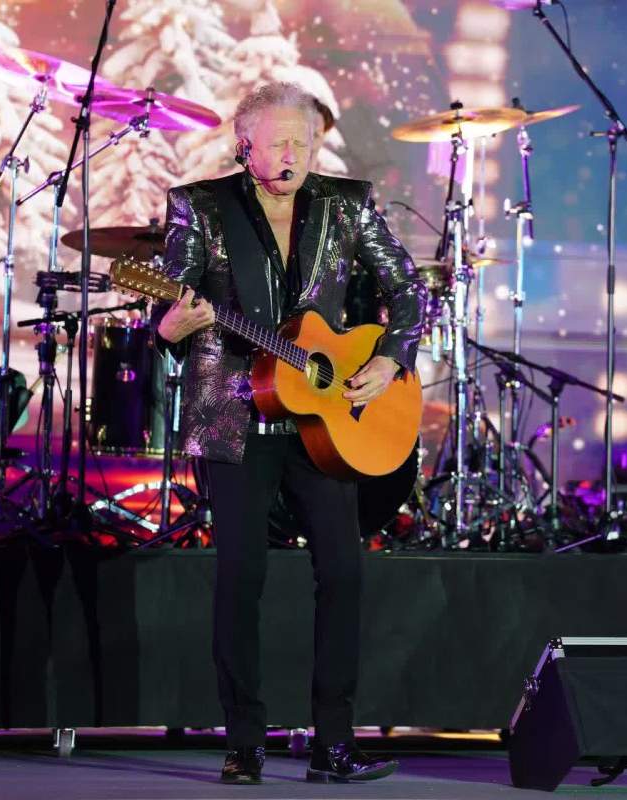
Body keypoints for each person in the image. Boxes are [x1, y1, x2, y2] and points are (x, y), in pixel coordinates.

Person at [155, 82, 426, 785]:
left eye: (303, 142)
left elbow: (408, 288)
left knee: (342, 573)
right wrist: (172, 326)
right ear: (244, 146)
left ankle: (334, 743)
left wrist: (390, 357)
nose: (292, 155)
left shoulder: (347, 203)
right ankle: (244, 741)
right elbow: (171, 306)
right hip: (234, 410)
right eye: (278, 142)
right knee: (240, 577)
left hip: (325, 418)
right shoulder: (200, 205)